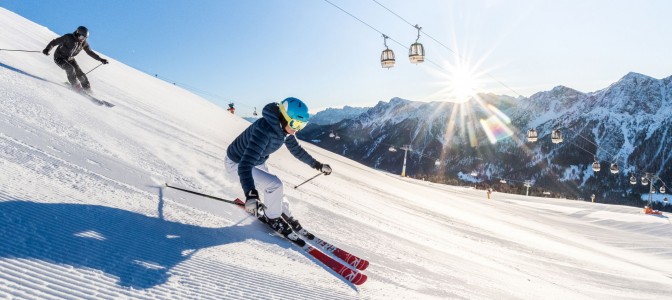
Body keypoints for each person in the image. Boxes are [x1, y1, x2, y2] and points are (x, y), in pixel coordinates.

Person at [225, 97, 331, 244]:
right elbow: (244, 165)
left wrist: (317, 165)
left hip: (256, 162)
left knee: (277, 191)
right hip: (237, 163)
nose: (297, 128)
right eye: (295, 123)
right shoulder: (264, 131)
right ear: (284, 117)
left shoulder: (284, 129)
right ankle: (274, 219)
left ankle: (285, 214)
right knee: (275, 185)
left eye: (302, 125)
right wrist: (251, 195)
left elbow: (297, 150)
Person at [42, 26, 109, 93]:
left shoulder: (83, 43)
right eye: (82, 37)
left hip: (70, 59)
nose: (82, 39)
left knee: (80, 74)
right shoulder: (68, 37)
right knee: (70, 69)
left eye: (85, 38)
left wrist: (100, 59)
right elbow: (55, 42)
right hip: (59, 58)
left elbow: (90, 52)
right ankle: (76, 86)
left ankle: (87, 90)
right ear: (78, 34)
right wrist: (47, 49)